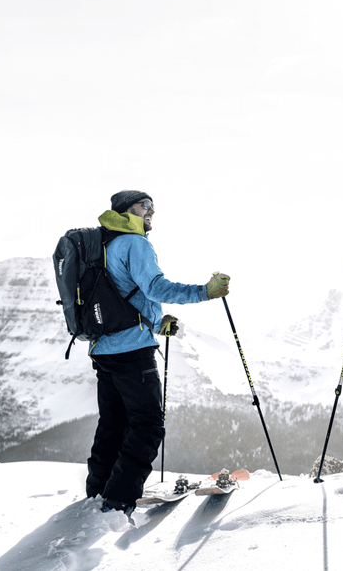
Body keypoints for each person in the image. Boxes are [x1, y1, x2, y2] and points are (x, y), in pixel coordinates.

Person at [85, 189, 230, 516]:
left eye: (153, 207)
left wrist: (153, 322)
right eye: (144, 206)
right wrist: (205, 292)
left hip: (104, 349)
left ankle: (98, 492)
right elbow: (156, 288)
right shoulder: (135, 243)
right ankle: (119, 499)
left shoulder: (104, 245)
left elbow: (118, 297)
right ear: (126, 211)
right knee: (148, 425)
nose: (151, 212)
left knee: (113, 423)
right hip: (132, 352)